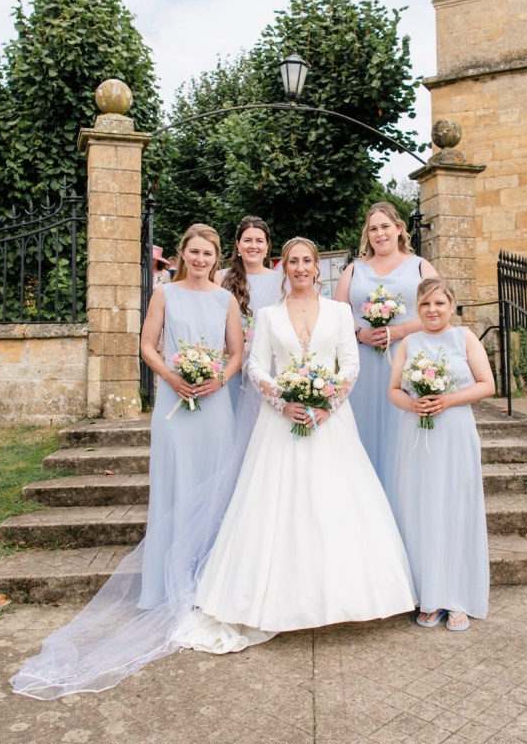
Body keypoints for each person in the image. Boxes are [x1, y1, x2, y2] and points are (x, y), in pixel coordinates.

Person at [10, 224, 245, 698]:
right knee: (176, 485)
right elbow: (147, 346)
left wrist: (217, 378)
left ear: (217, 257)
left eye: (208, 253)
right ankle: (166, 586)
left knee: (215, 488)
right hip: (175, 406)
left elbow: (237, 353)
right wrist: (173, 377)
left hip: (215, 404)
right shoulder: (165, 293)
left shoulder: (227, 300)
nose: (201, 259)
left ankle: (210, 584)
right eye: (194, 252)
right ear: (182, 253)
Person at [174, 237, 417, 654]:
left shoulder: (341, 312)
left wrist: (329, 404)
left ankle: (346, 597)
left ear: (317, 268)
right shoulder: (268, 315)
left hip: (332, 423)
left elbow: (351, 363)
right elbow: (253, 365)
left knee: (335, 503)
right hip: (279, 424)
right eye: (293, 262)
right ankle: (268, 600)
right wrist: (282, 401)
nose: (301, 267)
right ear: (282, 267)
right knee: (274, 507)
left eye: (307, 261)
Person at [388, 277, 494, 631]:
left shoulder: (464, 338)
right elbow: (393, 390)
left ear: (451, 306)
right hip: (416, 434)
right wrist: (413, 403)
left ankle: (456, 596)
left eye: (439, 304)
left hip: (455, 432)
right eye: (425, 305)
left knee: (454, 507)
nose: (432, 311)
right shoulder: (408, 342)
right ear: (417, 309)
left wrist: (447, 399)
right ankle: (427, 595)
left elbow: (487, 384)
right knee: (421, 507)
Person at [334, 202, 438, 500]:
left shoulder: (420, 266)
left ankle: (404, 502)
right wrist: (359, 332)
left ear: (399, 229)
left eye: (385, 227)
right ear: (367, 234)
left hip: (406, 362)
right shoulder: (354, 270)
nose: (379, 234)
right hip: (362, 366)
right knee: (362, 435)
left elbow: (440, 313)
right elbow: (337, 318)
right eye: (373, 228)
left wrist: (399, 330)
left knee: (401, 436)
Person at [216, 216, 282, 412]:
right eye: (247, 240)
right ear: (238, 245)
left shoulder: (280, 281)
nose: (253, 246)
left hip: (268, 366)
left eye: (259, 241)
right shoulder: (220, 278)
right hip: (230, 365)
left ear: (267, 246)